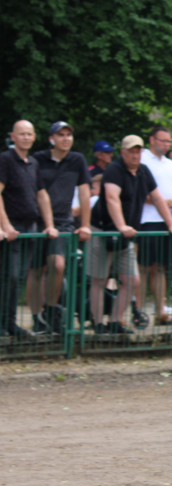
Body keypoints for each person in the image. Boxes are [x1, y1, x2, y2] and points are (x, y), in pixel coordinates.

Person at [89, 134, 172, 334]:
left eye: (138, 151)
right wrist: (121, 226)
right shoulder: (114, 170)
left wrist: (171, 224)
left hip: (126, 233)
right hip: (103, 229)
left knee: (132, 280)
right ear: (123, 152)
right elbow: (112, 198)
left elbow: (157, 198)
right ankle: (98, 323)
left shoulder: (144, 171)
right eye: (131, 151)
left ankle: (115, 321)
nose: (135, 155)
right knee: (99, 279)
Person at [29, 121, 92, 335]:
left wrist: (84, 225)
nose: (66, 139)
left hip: (64, 221)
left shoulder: (77, 160)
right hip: (37, 220)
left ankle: (51, 309)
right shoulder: (38, 159)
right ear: (51, 139)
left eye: (68, 135)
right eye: (61, 135)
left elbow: (85, 193)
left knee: (57, 265)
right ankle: (36, 316)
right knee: (36, 269)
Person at [0, 120, 56, 338]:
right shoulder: (5, 160)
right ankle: (2, 324)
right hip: (12, 228)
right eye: (21, 134)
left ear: (34, 137)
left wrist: (50, 225)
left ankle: (10, 322)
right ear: (13, 137)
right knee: (9, 276)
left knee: (20, 276)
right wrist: (5, 225)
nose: (25, 137)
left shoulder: (32, 163)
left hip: (29, 227)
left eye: (29, 134)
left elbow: (42, 195)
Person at [137, 125, 172, 329]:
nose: (166, 144)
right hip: (146, 220)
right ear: (152, 140)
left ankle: (160, 310)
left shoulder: (171, 164)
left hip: (167, 221)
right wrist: (161, 202)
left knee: (161, 268)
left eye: (168, 141)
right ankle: (138, 310)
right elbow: (138, 192)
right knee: (144, 268)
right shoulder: (142, 159)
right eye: (162, 140)